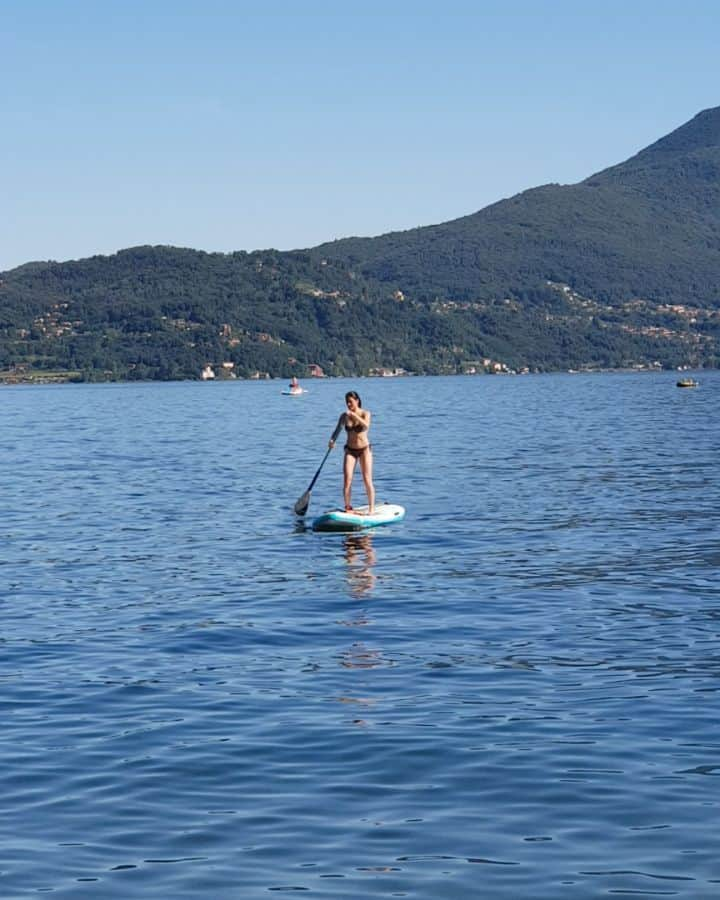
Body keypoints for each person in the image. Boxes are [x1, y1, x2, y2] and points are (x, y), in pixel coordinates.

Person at [329, 391, 375, 513]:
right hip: (350, 450)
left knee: (367, 479)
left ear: (357, 401)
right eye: (347, 402)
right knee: (347, 479)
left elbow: (366, 426)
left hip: (364, 449)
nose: (349, 405)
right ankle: (348, 507)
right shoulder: (344, 416)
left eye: (351, 402)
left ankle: (371, 508)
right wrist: (332, 440)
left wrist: (355, 416)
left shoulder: (365, 413)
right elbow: (337, 430)